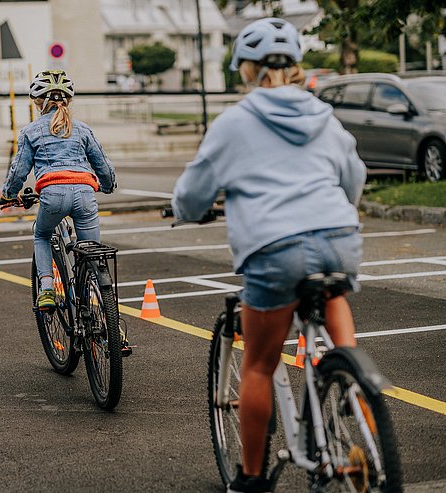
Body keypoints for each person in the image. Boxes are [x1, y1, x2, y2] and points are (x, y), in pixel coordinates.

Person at [171, 18, 366, 493]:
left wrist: (184, 211)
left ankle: (252, 479)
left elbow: (194, 193)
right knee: (334, 302)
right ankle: (355, 386)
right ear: (295, 65)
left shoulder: (235, 123)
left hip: (275, 249)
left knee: (259, 363)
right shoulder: (323, 115)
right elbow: (353, 175)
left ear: (246, 68)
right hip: (339, 236)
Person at [0, 70, 117, 310]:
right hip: (85, 194)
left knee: (42, 234)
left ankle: (46, 289)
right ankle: (106, 318)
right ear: (68, 101)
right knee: (92, 255)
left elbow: (19, 171)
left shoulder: (31, 131)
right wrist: (106, 185)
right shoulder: (83, 129)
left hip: (53, 194)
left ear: (38, 103)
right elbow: (103, 165)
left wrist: (9, 195)